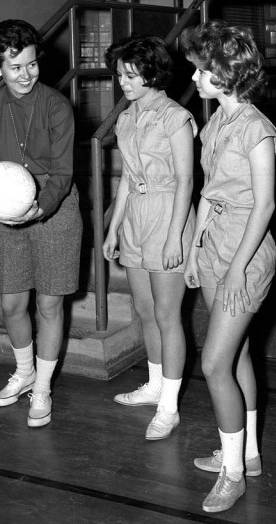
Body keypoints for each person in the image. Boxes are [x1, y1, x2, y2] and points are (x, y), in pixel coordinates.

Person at [180, 20, 276, 513]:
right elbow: (208, 193)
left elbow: (264, 207)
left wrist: (239, 268)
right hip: (215, 245)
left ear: (223, 73)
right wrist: (195, 247)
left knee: (214, 363)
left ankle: (233, 474)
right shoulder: (215, 121)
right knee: (236, 356)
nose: (194, 78)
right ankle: (250, 453)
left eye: (200, 71)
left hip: (247, 251)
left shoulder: (258, 130)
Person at [0, 19, 82, 428]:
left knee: (49, 303)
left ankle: (43, 387)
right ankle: (24, 372)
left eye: (32, 65)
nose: (26, 75)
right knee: (11, 302)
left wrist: (43, 206)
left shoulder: (55, 105)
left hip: (54, 208)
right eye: (15, 67)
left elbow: (63, 172)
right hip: (10, 208)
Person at [103, 35, 197, 441]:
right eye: (119, 74)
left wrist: (176, 235)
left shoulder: (175, 117)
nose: (123, 81)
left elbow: (185, 180)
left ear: (152, 72)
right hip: (137, 218)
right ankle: (154, 384)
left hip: (167, 214)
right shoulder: (126, 117)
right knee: (144, 310)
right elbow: (126, 178)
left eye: (130, 74)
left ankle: (169, 406)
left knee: (166, 314)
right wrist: (112, 227)